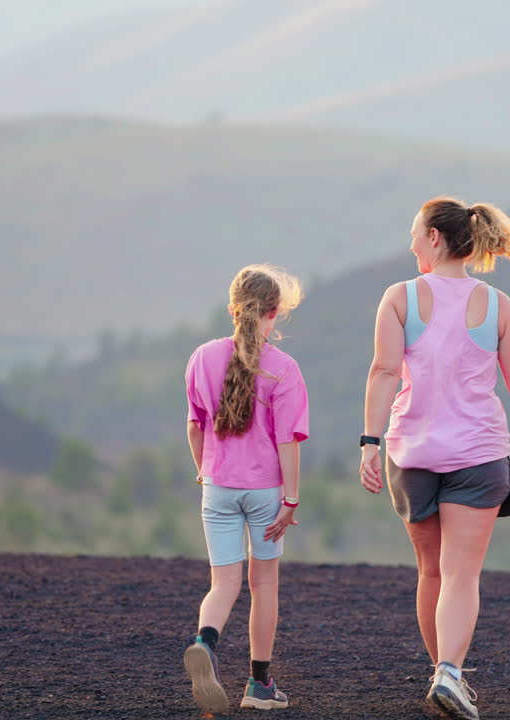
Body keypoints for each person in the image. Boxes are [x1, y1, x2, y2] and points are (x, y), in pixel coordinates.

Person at [359, 196, 510, 720]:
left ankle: (446, 675)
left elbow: (384, 372)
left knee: (431, 572)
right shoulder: (499, 304)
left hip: (412, 455)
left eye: (415, 232)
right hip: (478, 456)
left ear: (435, 237)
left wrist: (370, 441)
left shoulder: (399, 298)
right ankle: (449, 676)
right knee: (461, 575)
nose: (411, 241)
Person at [182, 264, 309, 713]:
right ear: (274, 314)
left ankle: (206, 643)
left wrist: (206, 473)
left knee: (224, 583)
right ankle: (259, 687)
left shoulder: (201, 357)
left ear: (233, 309)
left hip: (216, 486)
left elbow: (195, 428)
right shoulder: (284, 368)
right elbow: (287, 442)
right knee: (264, 583)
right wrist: (290, 500)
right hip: (265, 492)